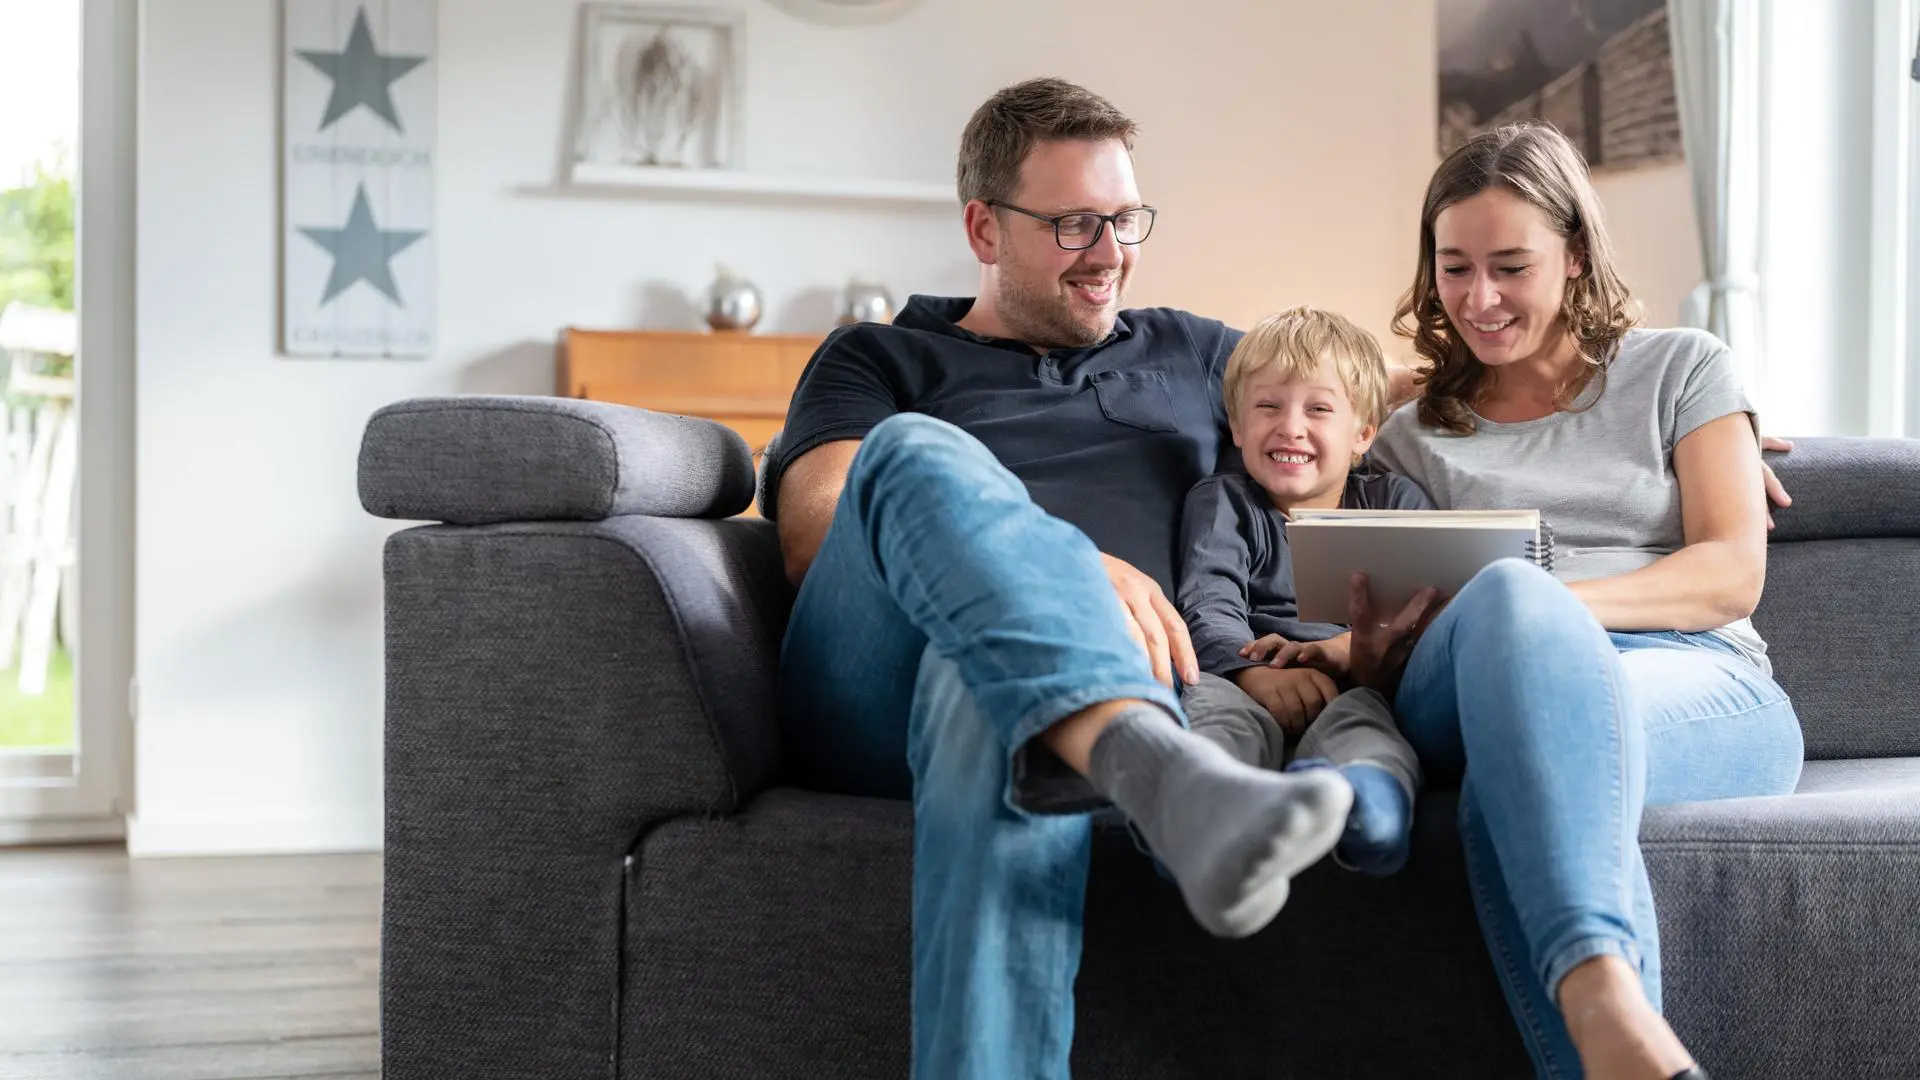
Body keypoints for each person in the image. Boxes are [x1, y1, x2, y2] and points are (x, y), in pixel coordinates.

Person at [765, 77, 1357, 1080]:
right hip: (874, 683)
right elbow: (817, 534)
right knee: (913, 451)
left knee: (988, 694)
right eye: (1076, 224)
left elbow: (1344, 415)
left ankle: (1133, 760)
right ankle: (1166, 776)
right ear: (984, 230)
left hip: (1079, 682)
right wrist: (1068, 564)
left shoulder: (1200, 355)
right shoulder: (882, 357)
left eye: (1126, 219)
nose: (1112, 253)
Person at [1248, 121, 1804, 1080]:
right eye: (1453, 267)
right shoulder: (1411, 429)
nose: (1479, 298)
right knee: (1511, 612)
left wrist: (1548, 608)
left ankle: (1604, 1014)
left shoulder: (1684, 369)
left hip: (1698, 682)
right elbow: (1279, 387)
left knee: (1528, 754)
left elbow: (1728, 576)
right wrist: (1370, 651)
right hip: (1469, 685)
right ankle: (1613, 1007)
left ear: (1577, 256)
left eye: (1511, 266)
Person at [1174, 306, 1428, 877]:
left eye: (1318, 409)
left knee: (1368, 730)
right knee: (1216, 719)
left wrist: (1342, 654)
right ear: (1238, 428)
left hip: (1350, 682)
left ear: (1363, 433)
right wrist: (1255, 677)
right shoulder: (1225, 501)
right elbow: (1207, 602)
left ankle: (1362, 806)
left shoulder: (1393, 502)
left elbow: (1422, 608)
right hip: (1241, 674)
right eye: (1267, 406)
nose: (1290, 426)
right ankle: (1203, 818)